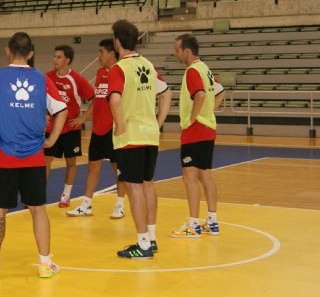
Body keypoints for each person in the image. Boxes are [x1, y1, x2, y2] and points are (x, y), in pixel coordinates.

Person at [0, 32, 68, 280]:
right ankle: (46, 263)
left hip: (3, 155)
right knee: (38, 209)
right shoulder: (41, 79)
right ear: (31, 54)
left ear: (7, 51)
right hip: (34, 156)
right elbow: (62, 110)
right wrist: (53, 139)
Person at [108, 20, 171, 259]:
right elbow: (166, 94)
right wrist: (158, 122)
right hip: (150, 134)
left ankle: (143, 244)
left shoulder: (118, 69)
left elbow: (114, 100)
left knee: (134, 189)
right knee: (148, 184)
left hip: (131, 136)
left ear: (116, 41)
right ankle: (151, 238)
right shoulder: (148, 64)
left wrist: (121, 126)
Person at [171, 34, 225, 238]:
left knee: (189, 178)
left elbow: (200, 95)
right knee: (205, 175)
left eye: (177, 50)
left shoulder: (192, 71)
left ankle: (193, 224)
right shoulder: (206, 69)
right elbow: (221, 92)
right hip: (208, 129)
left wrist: (192, 120)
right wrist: (208, 113)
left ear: (187, 51)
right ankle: (212, 222)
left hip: (195, 131)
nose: (175, 54)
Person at [66, 39, 125, 218]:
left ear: (111, 53)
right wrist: (84, 118)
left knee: (118, 168)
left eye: (101, 52)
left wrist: (120, 124)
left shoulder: (121, 72)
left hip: (113, 129)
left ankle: (120, 204)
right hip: (98, 129)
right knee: (93, 166)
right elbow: (97, 100)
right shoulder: (100, 73)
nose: (98, 56)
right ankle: (86, 204)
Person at [44, 45, 94, 208]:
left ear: (67, 60)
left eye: (58, 57)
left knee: (71, 162)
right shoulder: (48, 77)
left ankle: (66, 195)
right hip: (52, 127)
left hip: (71, 127)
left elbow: (94, 98)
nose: (55, 60)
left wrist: (83, 118)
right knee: (45, 161)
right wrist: (44, 113)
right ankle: (38, 194)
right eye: (54, 56)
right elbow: (40, 97)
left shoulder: (77, 79)